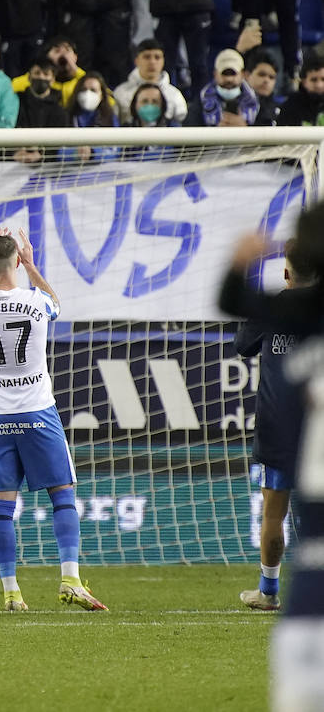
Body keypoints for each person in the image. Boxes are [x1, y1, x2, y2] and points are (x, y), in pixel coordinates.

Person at [0, 228, 107, 613]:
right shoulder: (37, 301)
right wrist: (30, 264)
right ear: (18, 263)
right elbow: (55, 301)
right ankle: (70, 580)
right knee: (63, 497)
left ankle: (11, 593)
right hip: (38, 412)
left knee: (1, 508)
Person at [217, 212, 324, 711]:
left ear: (286, 271)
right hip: (313, 427)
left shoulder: (278, 309)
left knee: (274, 514)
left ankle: (268, 590)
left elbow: (241, 342)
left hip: (278, 427)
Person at [110, 39, 187, 125]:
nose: (152, 62)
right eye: (147, 57)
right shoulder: (121, 92)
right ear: (136, 61)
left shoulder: (175, 95)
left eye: (157, 57)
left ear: (163, 61)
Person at [188, 48, 259, 127]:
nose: (229, 79)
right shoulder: (200, 102)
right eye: (224, 73)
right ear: (215, 74)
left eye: (233, 73)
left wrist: (245, 129)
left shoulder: (257, 101)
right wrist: (217, 133)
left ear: (242, 74)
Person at [277, 55, 324, 127]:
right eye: (314, 80)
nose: (319, 85)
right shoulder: (291, 105)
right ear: (304, 82)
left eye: (323, 80)